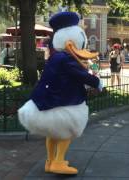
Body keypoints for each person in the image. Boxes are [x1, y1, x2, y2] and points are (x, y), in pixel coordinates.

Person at [18, 12, 102, 175]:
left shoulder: (56, 57)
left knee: (53, 134)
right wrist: (97, 82)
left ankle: (50, 162)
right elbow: (81, 76)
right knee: (66, 132)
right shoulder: (66, 58)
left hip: (46, 103)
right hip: (62, 104)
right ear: (71, 41)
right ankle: (58, 162)